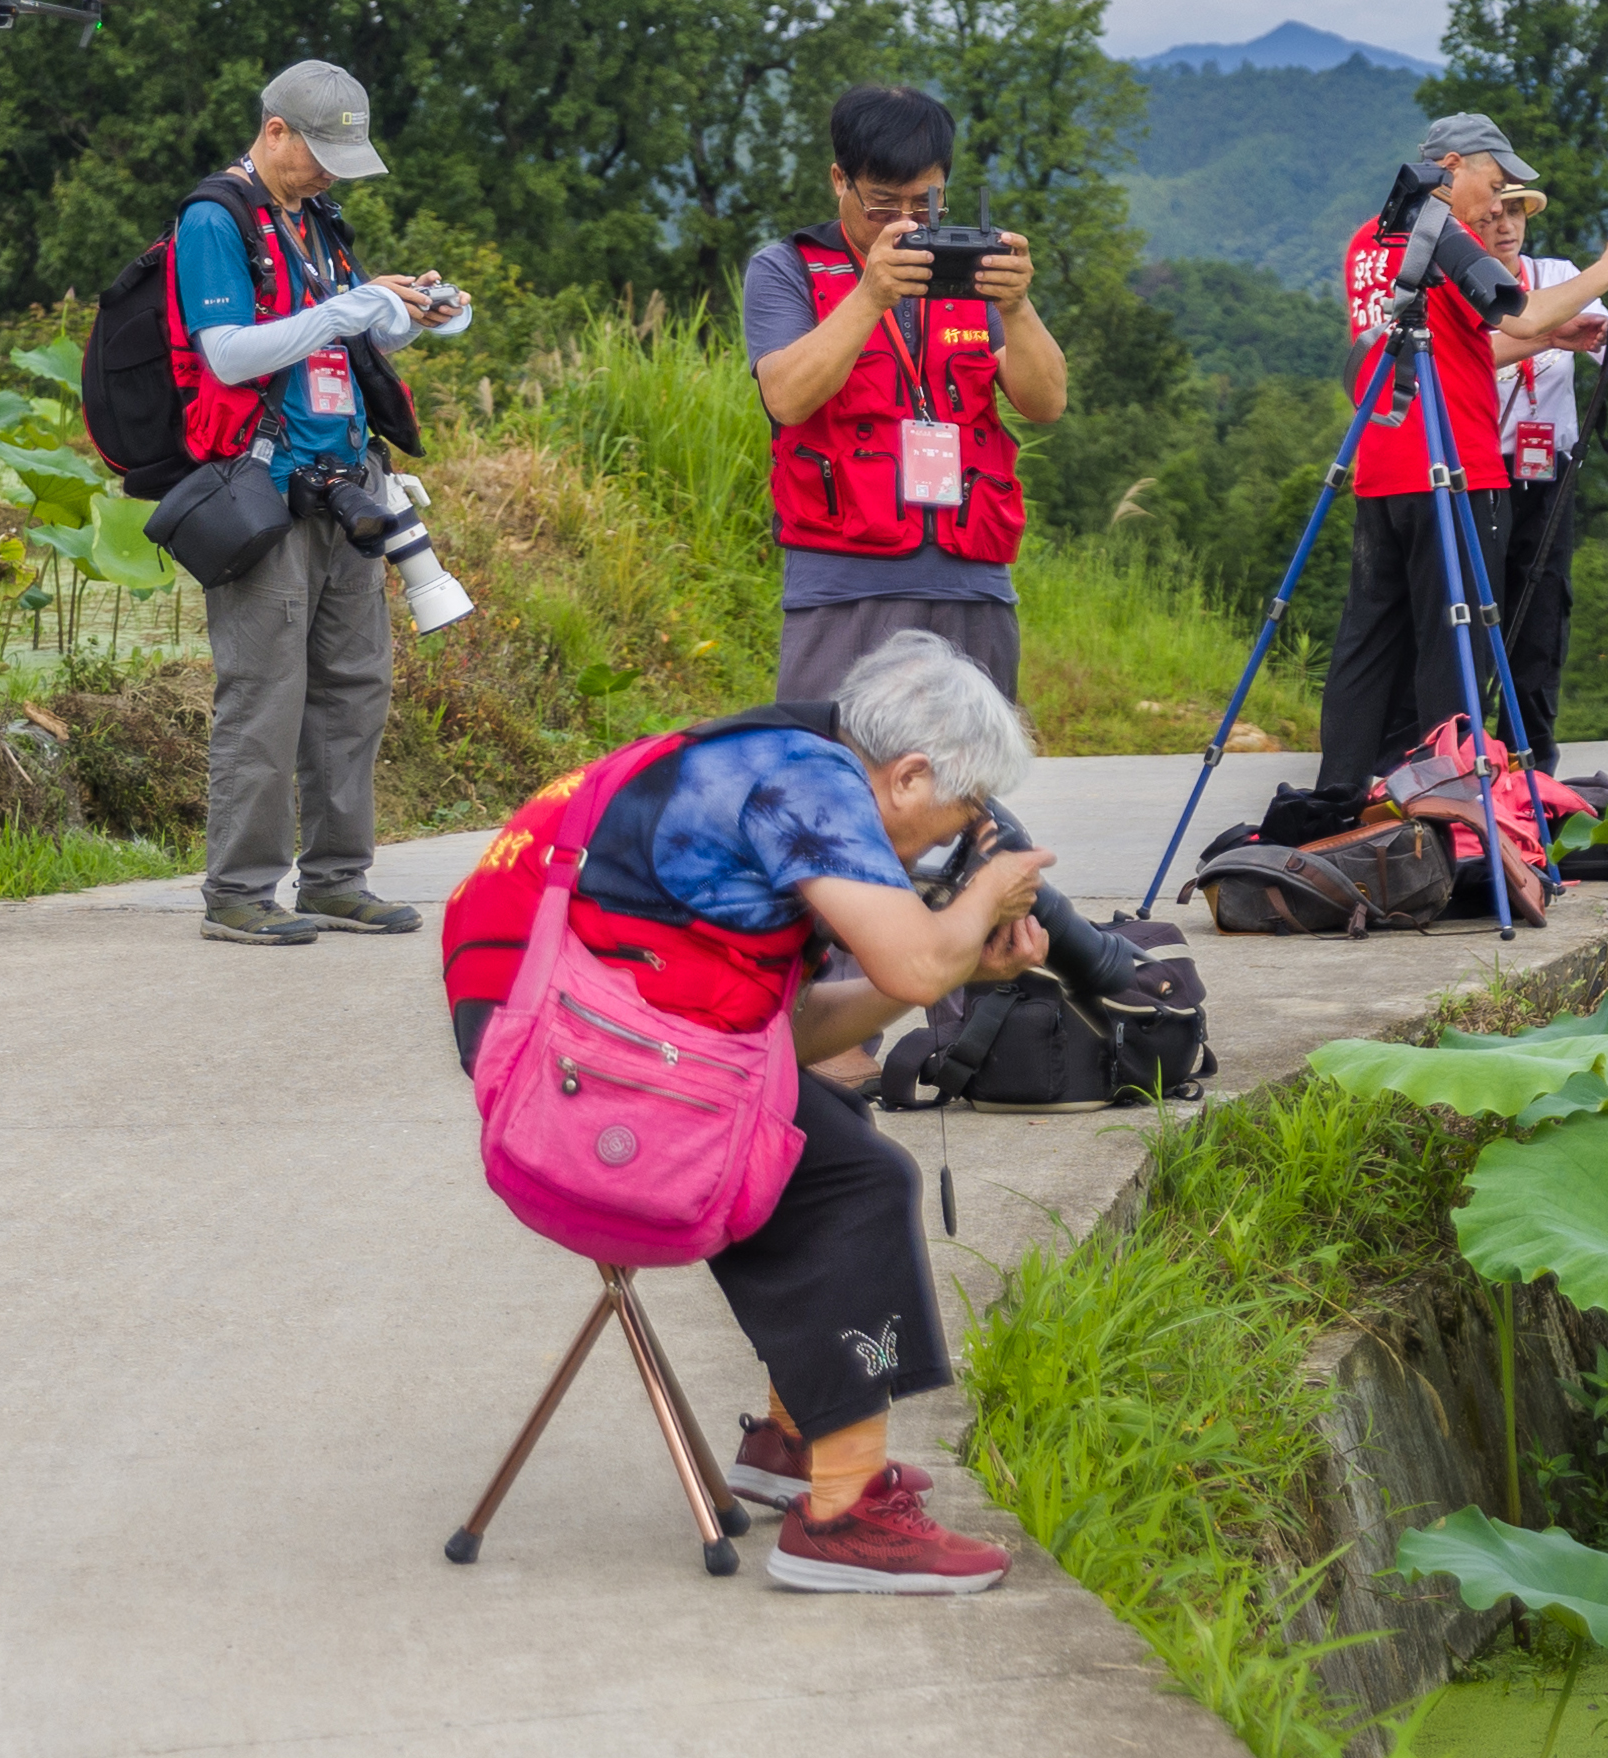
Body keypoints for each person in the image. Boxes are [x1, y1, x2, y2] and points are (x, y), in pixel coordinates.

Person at [444, 632, 1051, 1594]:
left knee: (832, 1133)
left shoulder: (775, 759)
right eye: (951, 818)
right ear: (909, 775)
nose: (942, 844)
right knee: (854, 1183)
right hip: (561, 1074)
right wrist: (980, 900)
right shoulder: (805, 784)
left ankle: (798, 1439)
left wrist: (959, 958)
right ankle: (845, 1520)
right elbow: (912, 961)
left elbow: (786, 1039)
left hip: (582, 1043)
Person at [182, 61, 470, 946]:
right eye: (322, 153)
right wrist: (351, 307)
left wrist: (413, 309)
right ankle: (238, 892)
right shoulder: (214, 221)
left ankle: (338, 879)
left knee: (354, 688)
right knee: (266, 692)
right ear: (275, 132)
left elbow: (346, 330)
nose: (333, 172)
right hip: (262, 491)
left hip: (347, 484)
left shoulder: (314, 219)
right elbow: (230, 354)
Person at [1317, 114, 1608, 790]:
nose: (1498, 204)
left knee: (1368, 649)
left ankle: (1342, 797)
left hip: (1382, 465)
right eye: (1495, 182)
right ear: (1453, 167)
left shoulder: (1369, 238)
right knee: (1456, 654)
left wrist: (1551, 339)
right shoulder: (1442, 232)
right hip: (1459, 470)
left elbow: (1446, 346)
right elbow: (1521, 313)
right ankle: (1449, 810)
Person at [743, 86, 1066, 705]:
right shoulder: (787, 268)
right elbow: (786, 398)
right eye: (882, 204)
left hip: (972, 579)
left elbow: (1045, 401)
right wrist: (870, 295)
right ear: (839, 179)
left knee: (963, 788)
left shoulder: (969, 269)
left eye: (924, 204)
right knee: (837, 774)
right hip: (842, 582)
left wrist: (1017, 308)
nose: (903, 224)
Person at [1481, 185, 1608, 771]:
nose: (1507, 225)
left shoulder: (1558, 274)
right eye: (1497, 212)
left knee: (1541, 609)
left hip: (1548, 468)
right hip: (1482, 466)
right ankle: (1461, 744)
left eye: (1517, 212)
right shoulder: (1465, 283)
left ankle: (1531, 752)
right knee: (1478, 602)